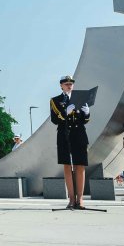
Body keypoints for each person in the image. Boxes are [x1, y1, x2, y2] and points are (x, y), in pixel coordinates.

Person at [50, 75, 91, 210]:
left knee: (80, 165)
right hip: (64, 134)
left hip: (79, 133)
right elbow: (55, 120)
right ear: (61, 85)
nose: (69, 86)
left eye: (71, 84)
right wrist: (65, 112)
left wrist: (87, 113)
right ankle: (71, 199)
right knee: (67, 166)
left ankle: (80, 198)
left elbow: (85, 120)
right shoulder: (55, 101)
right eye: (66, 84)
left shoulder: (80, 99)